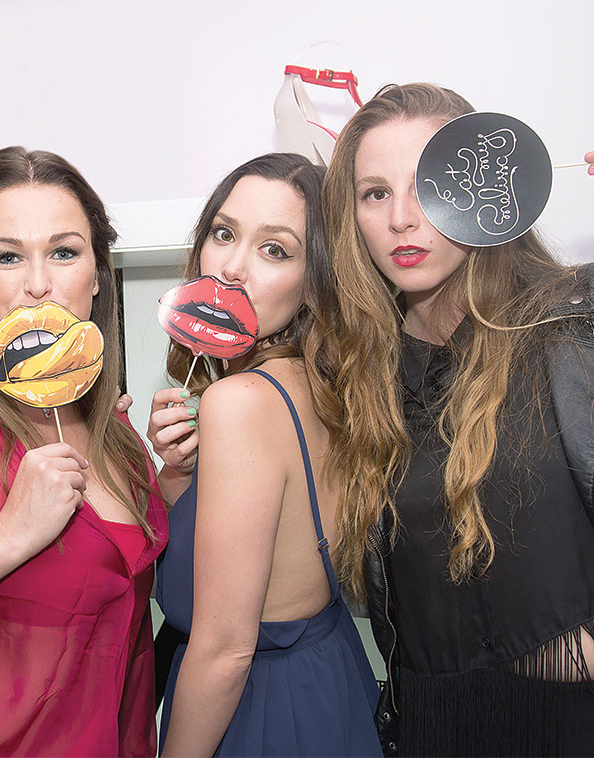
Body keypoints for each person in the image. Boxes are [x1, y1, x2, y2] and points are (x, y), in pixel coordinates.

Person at [319, 83, 594, 757]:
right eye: (375, 193)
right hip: (443, 731)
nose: (402, 218)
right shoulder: (358, 380)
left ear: (491, 191)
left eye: (429, 184)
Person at [0, 147, 168, 756]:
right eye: (7, 256)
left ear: (98, 276)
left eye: (64, 252)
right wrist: (0, 544)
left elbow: (129, 661)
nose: (38, 284)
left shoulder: (120, 440)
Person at [148, 152, 381, 757]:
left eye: (274, 249)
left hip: (260, 708)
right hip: (327, 681)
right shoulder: (325, 385)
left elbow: (224, 652)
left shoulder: (240, 401)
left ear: (317, 279)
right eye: (224, 234)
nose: (231, 268)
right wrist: (178, 473)